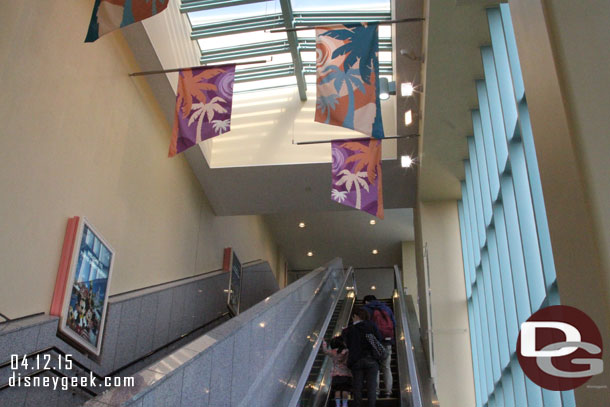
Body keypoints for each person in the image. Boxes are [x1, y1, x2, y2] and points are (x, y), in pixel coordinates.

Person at [342, 307, 383, 407]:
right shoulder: (372, 325)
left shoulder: (350, 329)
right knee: (372, 387)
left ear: (356, 316)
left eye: (353, 317)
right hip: (372, 360)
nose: (352, 319)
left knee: (357, 386)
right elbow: (379, 339)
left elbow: (347, 344)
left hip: (356, 361)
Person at [363, 294, 396, 398]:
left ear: (366, 302)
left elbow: (364, 326)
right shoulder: (386, 308)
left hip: (373, 342)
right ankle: (388, 392)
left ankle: (376, 391)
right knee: (386, 367)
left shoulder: (366, 309)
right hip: (387, 341)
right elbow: (394, 324)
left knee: (375, 368)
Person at [322, 336, 352, 407]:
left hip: (336, 374)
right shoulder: (347, 351)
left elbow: (325, 351)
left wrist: (324, 343)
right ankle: (345, 404)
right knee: (345, 390)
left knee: (337, 390)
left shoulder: (333, 352)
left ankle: (338, 405)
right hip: (346, 374)